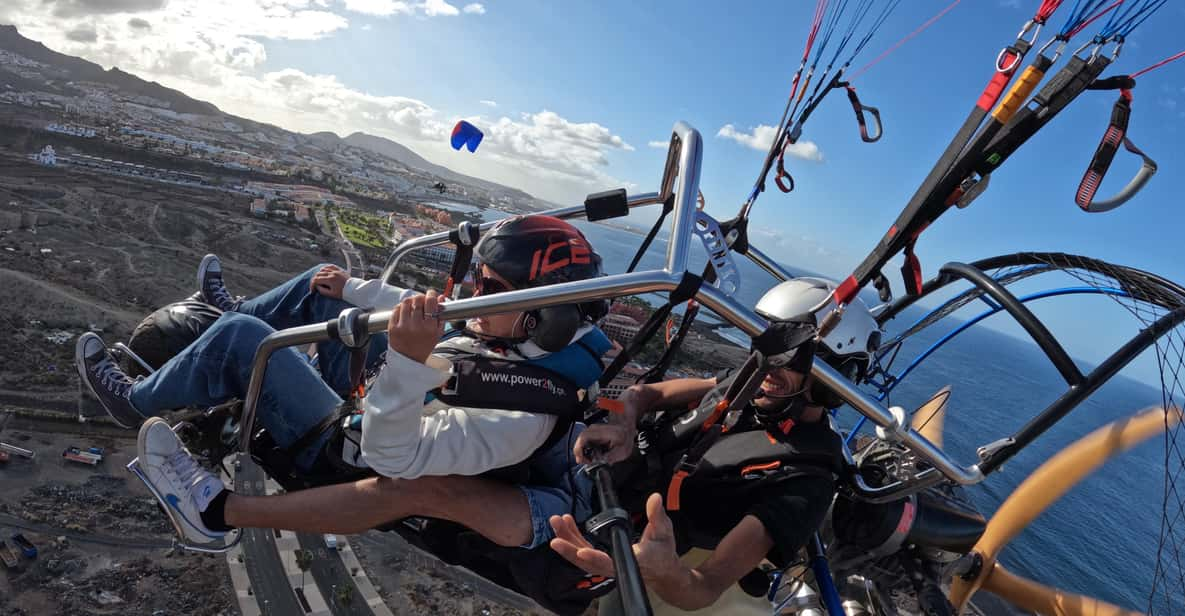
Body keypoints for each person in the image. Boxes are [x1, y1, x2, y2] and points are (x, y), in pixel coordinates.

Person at [73, 215, 613, 559]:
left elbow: (392, 459)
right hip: (380, 401)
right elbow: (439, 314)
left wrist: (404, 361)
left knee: (245, 338)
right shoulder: (516, 338)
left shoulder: (519, 416)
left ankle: (133, 402)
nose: (474, 295)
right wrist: (351, 287)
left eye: (489, 287)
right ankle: (228, 310)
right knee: (322, 284)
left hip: (348, 452)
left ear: (545, 315)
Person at [548, 277, 882, 612]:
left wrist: (662, 570)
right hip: (617, 492)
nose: (769, 366)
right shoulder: (748, 384)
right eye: (767, 347)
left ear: (835, 382)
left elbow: (707, 584)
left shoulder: (806, 480)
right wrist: (623, 425)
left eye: (792, 357)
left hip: (665, 557)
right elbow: (642, 394)